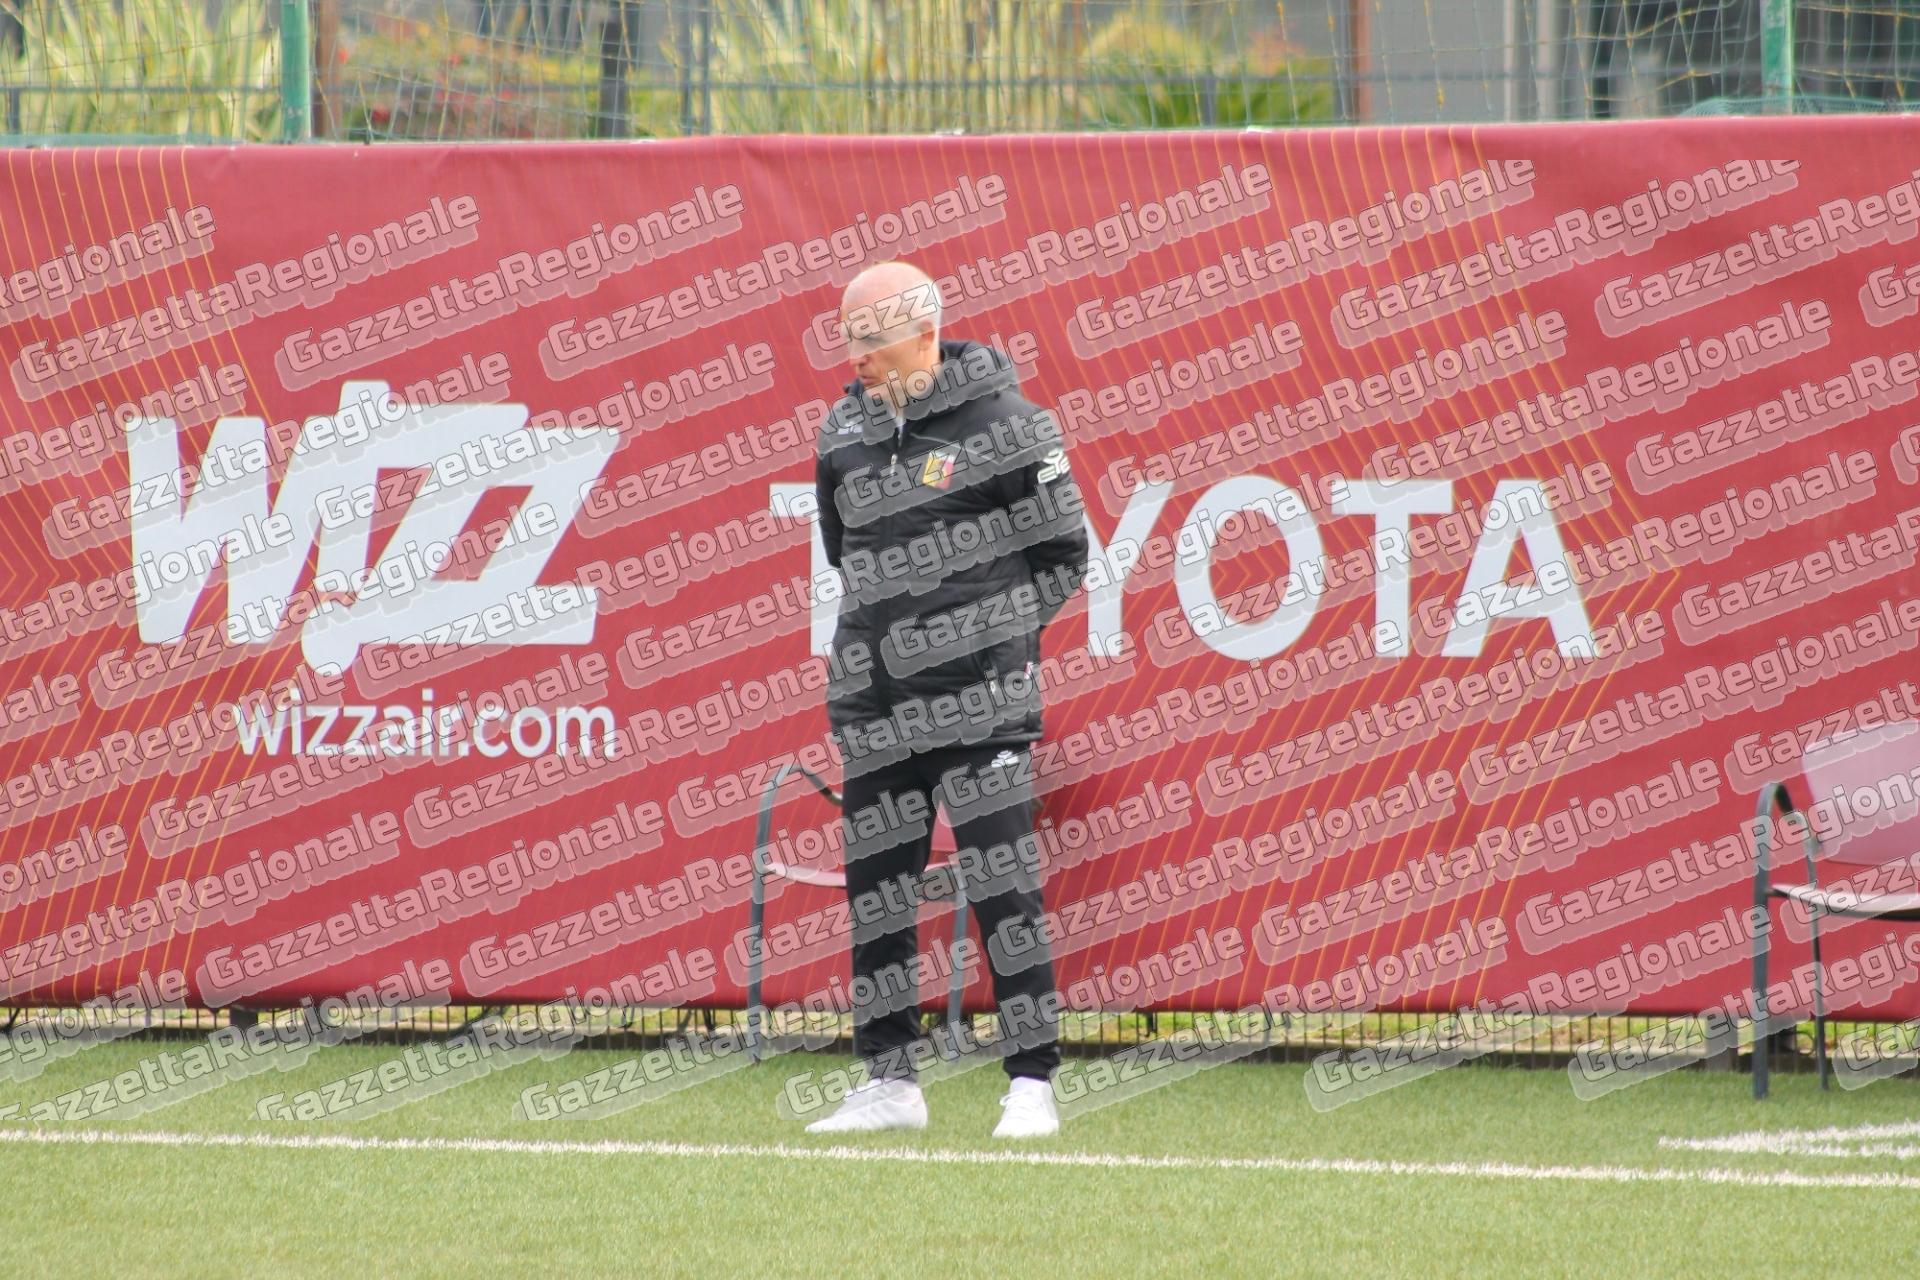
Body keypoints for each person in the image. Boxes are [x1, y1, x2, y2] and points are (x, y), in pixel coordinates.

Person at [805, 260, 1089, 1138]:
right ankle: (890, 1082)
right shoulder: (841, 431)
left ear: (925, 334)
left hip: (980, 708)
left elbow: (1064, 556)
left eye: (872, 338)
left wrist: (990, 645)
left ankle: (1031, 1084)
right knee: (878, 901)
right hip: (876, 708)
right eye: (847, 337)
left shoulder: (1010, 424)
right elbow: (843, 553)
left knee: (1004, 894)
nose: (855, 355)